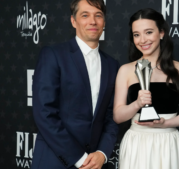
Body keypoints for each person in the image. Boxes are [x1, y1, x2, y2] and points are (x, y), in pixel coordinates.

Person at [31, 0, 119, 169]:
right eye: (85, 15)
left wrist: (102, 153)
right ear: (73, 21)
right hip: (55, 161)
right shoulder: (53, 55)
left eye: (98, 15)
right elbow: (44, 112)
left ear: (104, 22)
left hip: (96, 164)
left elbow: (112, 117)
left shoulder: (112, 65)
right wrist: (79, 158)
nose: (92, 21)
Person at [113, 8, 179, 169]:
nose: (142, 40)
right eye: (136, 34)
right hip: (137, 143)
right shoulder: (125, 70)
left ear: (161, 33)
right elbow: (118, 116)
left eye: (149, 32)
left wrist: (165, 123)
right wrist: (137, 104)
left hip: (168, 142)